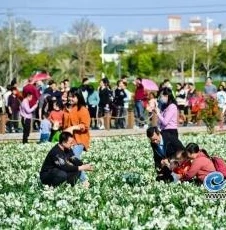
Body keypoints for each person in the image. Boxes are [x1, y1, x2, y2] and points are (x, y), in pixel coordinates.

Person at [62, 88, 91, 187]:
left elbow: (85, 126)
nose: (70, 98)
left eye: (73, 96)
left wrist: (73, 128)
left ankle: (84, 181)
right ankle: (73, 180)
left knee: (74, 159)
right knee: (69, 161)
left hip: (79, 140)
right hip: (68, 141)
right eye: (69, 96)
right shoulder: (66, 109)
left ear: (78, 97)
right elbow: (64, 126)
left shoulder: (82, 109)